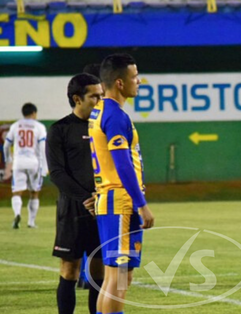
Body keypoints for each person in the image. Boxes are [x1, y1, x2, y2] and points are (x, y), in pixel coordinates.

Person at [89, 53, 154, 314]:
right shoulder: (115, 116)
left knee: (118, 278)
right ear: (119, 82)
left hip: (112, 200)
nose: (138, 81)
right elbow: (122, 163)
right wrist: (142, 205)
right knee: (117, 280)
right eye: (134, 76)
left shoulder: (102, 111)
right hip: (120, 202)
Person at [47, 73, 104, 314]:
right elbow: (57, 173)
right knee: (70, 269)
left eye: (102, 95)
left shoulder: (103, 127)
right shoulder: (60, 130)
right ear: (77, 99)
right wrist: (85, 198)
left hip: (103, 208)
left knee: (99, 271)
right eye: (95, 96)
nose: (100, 100)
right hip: (72, 210)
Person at [3, 103, 48, 229]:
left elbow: (6, 145)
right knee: (34, 193)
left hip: (19, 162)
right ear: (34, 113)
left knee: (17, 192)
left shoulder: (15, 126)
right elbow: (43, 147)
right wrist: (44, 166)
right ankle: (31, 222)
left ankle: (17, 214)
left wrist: (9, 159)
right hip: (34, 162)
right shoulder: (39, 127)